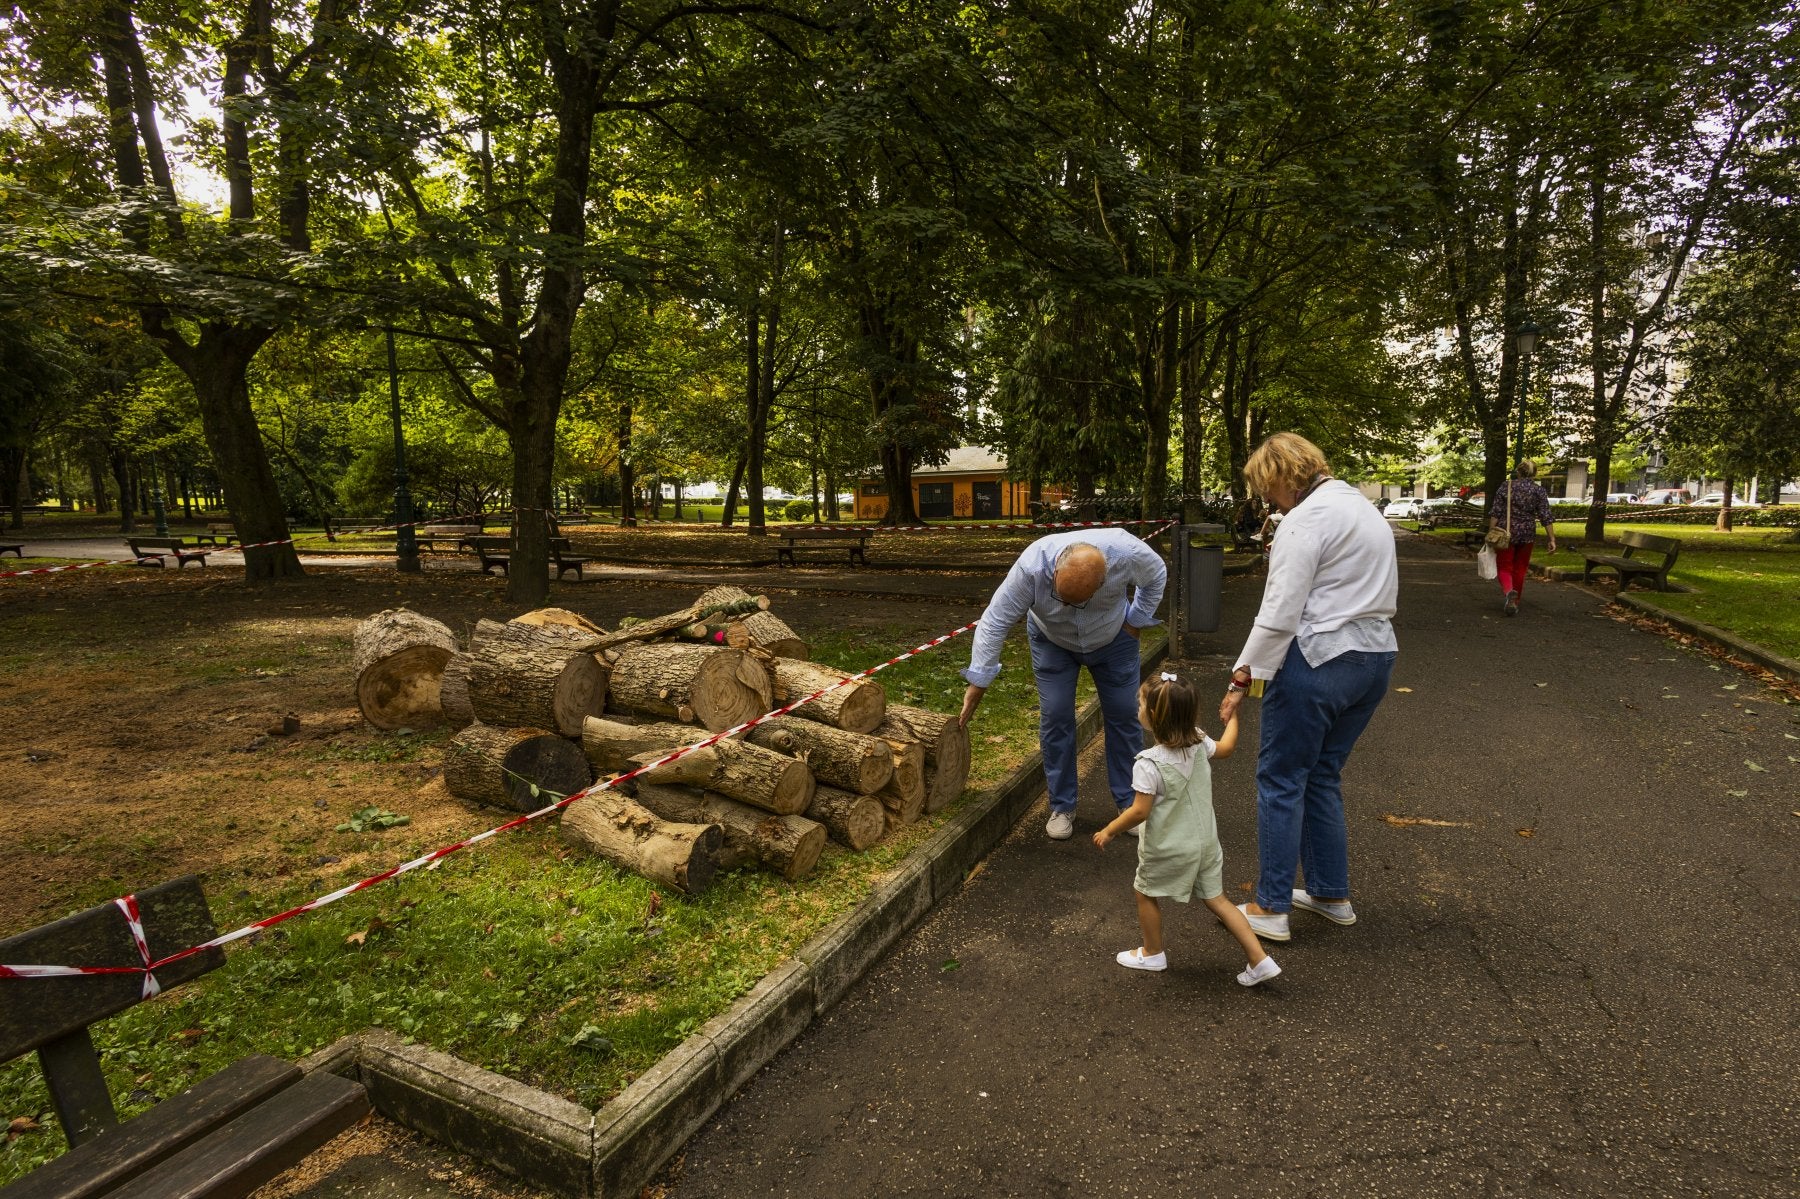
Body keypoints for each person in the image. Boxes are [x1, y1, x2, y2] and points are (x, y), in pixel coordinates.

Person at [1220, 432, 1398, 943]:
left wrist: (1241, 679)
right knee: (1322, 775)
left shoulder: (1307, 519)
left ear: (1281, 476)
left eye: (1266, 489)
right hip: (1375, 656)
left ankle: (1270, 906)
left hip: (1320, 658)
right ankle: (1329, 893)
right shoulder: (1363, 509)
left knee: (1280, 779)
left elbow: (1279, 613)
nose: (1268, 501)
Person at [959, 527, 1166, 840]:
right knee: (1056, 717)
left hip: (1113, 638)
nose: (1070, 608)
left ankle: (1129, 804)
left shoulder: (1127, 553)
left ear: (1103, 579)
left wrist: (1136, 621)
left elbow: (1156, 576)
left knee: (1125, 715)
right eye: (1064, 598)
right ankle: (1062, 806)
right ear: (1055, 570)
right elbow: (995, 619)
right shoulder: (1031, 567)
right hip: (1051, 640)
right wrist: (980, 679)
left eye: (1079, 600)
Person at [1093, 673, 1280, 986]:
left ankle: (1152, 952)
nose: (1137, 707)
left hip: (1169, 847)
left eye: (1140, 703)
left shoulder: (1148, 763)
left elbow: (1140, 810)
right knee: (1218, 900)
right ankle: (1259, 959)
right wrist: (1233, 717)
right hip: (1206, 842)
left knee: (1144, 891)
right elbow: (1227, 747)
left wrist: (1110, 829)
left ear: (1153, 716)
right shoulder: (1198, 741)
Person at [1489, 460, 1556, 616]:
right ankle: (1515, 600)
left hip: (1506, 532)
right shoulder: (1538, 491)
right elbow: (1546, 516)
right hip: (1527, 533)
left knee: (1504, 566)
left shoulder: (1507, 486)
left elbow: (1496, 512)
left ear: (1518, 472)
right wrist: (1551, 538)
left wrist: (1492, 531)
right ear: (1535, 473)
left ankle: (1508, 592)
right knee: (1520, 568)